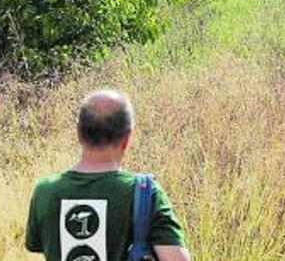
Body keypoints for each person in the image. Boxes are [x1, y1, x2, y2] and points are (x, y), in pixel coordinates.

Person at [26, 90, 190, 261]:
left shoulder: (44, 191)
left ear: (79, 133)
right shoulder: (145, 193)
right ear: (128, 137)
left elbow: (36, 245)